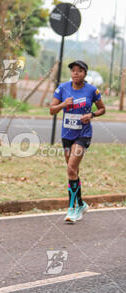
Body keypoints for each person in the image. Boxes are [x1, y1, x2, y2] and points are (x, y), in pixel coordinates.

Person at [49, 60, 105, 223]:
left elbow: (102, 109)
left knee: (71, 168)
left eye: (79, 71)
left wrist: (92, 115)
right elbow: (51, 110)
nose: (75, 73)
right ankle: (80, 203)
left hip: (83, 134)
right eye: (73, 71)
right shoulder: (62, 88)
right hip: (67, 134)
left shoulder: (92, 90)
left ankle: (73, 209)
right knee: (73, 171)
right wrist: (63, 104)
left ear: (85, 74)